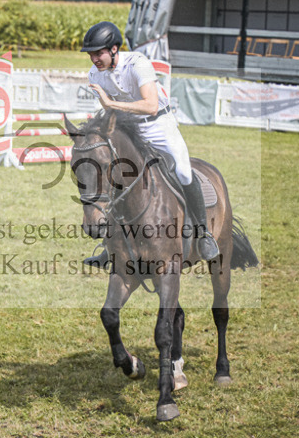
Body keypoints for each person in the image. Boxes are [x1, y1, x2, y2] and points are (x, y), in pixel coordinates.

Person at [79, 21, 220, 268]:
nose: (94, 59)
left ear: (114, 49)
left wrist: (111, 105)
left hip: (158, 124)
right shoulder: (94, 74)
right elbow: (110, 112)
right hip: (128, 128)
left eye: (98, 52)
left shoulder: (138, 64)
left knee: (183, 171)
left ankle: (203, 234)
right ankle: (108, 245)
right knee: (116, 177)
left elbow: (150, 105)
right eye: (91, 54)